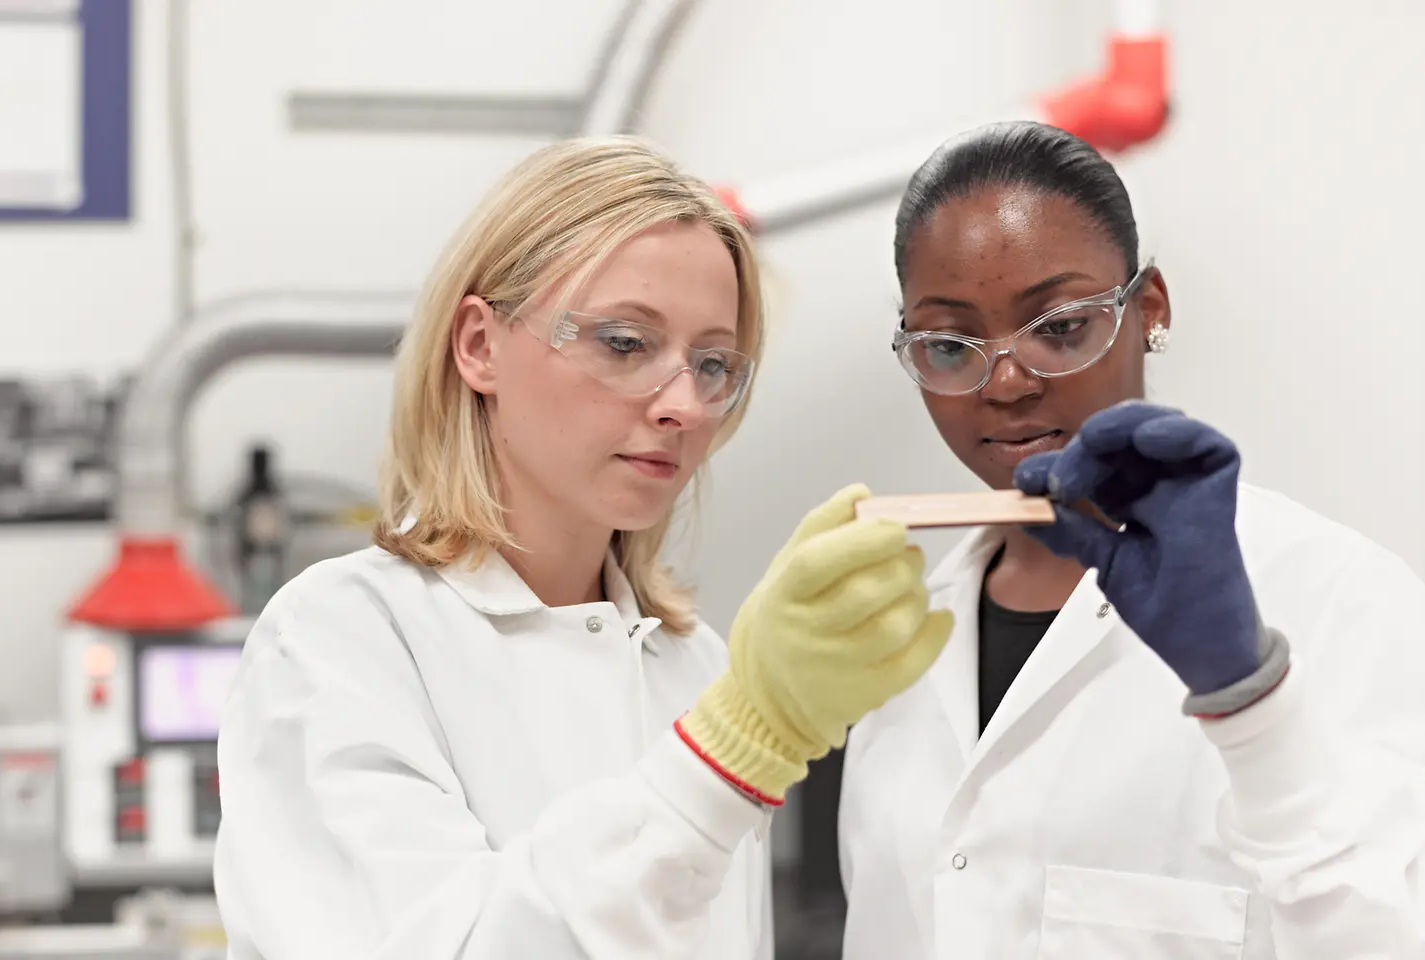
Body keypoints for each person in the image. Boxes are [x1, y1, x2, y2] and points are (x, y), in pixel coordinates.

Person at [212, 135, 954, 960]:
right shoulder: (340, 641)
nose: (683, 404)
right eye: (624, 343)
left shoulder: (695, 664)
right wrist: (726, 757)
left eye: (713, 364)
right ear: (479, 346)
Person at [837, 120, 1425, 958]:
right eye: (948, 344)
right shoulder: (895, 653)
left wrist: (1250, 699)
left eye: (1059, 327)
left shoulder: (1343, 603)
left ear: (1147, 309)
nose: (1004, 382)